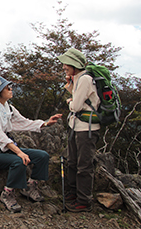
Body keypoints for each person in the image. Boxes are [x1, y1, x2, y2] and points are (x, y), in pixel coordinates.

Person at [0, 76, 62, 213]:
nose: (11, 89)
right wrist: (19, 152)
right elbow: (0, 137)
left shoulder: (8, 108)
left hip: (7, 148)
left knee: (42, 156)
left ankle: (30, 186)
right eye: (7, 88)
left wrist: (45, 123)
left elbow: (23, 122)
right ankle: (7, 194)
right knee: (19, 161)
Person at [58, 48, 100, 212]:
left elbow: (75, 106)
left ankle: (83, 200)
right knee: (73, 161)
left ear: (74, 64)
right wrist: (70, 86)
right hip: (77, 126)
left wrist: (70, 102)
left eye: (66, 64)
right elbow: (77, 99)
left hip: (86, 129)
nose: (64, 67)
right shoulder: (79, 79)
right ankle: (73, 193)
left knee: (84, 165)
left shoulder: (85, 80)